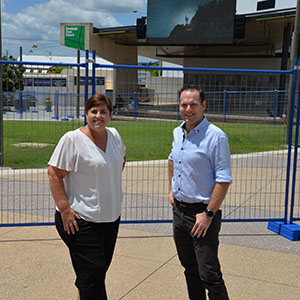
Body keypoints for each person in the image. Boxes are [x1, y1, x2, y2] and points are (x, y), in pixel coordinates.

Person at [48, 94, 126, 300]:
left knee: (94, 273)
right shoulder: (72, 139)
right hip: (79, 219)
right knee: (95, 269)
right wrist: (64, 209)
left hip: (110, 218)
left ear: (110, 115)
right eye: (94, 111)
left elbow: (121, 160)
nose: (98, 116)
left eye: (103, 112)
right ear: (86, 113)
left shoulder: (115, 136)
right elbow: (54, 173)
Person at [168, 86, 232, 300]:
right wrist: (171, 189)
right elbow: (172, 159)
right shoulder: (178, 132)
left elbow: (223, 180)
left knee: (209, 274)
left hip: (202, 214)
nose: (188, 109)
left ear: (203, 106)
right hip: (179, 212)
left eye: (193, 105)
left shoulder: (216, 137)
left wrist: (208, 214)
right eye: (184, 105)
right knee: (190, 269)